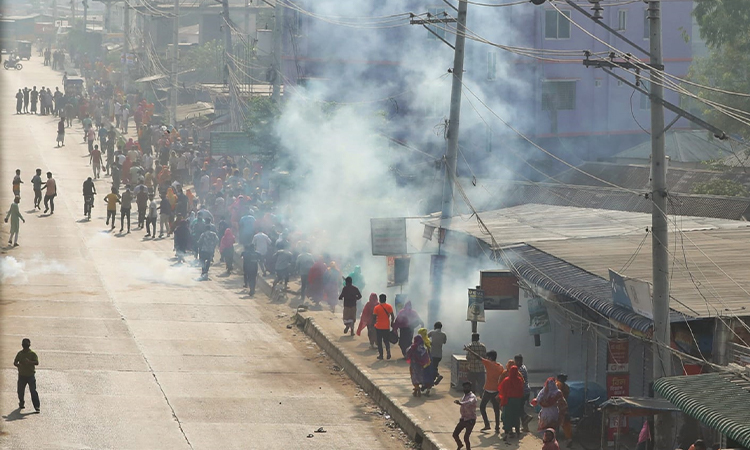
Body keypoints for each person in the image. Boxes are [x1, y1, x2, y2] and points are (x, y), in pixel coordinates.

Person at [464, 347, 502, 433]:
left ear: (491, 358)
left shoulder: (489, 364)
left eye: (488, 357)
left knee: (482, 407)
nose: (487, 359)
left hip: (488, 390)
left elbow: (478, 357)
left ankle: (487, 425)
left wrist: (469, 350)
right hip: (496, 390)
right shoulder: (500, 367)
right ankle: (497, 427)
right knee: (496, 409)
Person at [499, 365, 525, 440]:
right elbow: (521, 391)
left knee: (507, 416)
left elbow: (502, 389)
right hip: (517, 401)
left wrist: (502, 398)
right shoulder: (519, 380)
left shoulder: (506, 380)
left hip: (508, 401)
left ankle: (507, 433)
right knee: (516, 416)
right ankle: (517, 432)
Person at [14, 338, 40, 412]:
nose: (25, 347)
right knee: (20, 391)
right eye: (24, 345)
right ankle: (21, 402)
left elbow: (37, 362)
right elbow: (15, 362)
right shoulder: (20, 354)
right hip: (22, 375)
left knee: (33, 391)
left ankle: (37, 406)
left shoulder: (32, 353)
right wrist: (18, 365)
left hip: (30, 375)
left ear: (29, 345)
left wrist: (29, 362)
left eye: (26, 345)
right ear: (22, 345)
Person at [453, 381, 477, 450]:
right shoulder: (465, 395)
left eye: (467, 387)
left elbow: (469, 402)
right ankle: (460, 444)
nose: (466, 389)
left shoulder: (472, 396)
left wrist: (460, 403)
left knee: (466, 437)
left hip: (470, 420)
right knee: (455, 434)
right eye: (465, 387)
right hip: (463, 419)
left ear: (470, 388)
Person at [373, 294, 395, 360]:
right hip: (386, 327)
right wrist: (391, 322)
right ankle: (388, 352)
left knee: (379, 342)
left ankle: (381, 355)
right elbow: (393, 316)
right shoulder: (389, 306)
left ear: (379, 299)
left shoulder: (376, 308)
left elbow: (374, 317)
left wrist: (374, 323)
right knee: (386, 341)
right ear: (385, 299)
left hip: (378, 327)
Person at [516, 354, 533, 431]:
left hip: (523, 391)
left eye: (516, 361)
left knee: (518, 409)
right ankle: (525, 427)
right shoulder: (523, 367)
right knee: (521, 407)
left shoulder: (520, 370)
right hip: (526, 390)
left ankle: (526, 416)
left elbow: (519, 382)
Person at [427, 322, 447, 386]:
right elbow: (444, 342)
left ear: (435, 327)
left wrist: (430, 343)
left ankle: (438, 375)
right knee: (435, 367)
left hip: (432, 353)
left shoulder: (432, 332)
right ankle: (432, 382)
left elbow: (426, 337)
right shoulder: (444, 334)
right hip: (439, 354)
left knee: (431, 368)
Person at [556, 374, 572, 441]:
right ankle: (568, 438)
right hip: (563, 406)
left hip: (557, 406)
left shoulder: (557, 384)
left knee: (556, 421)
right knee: (566, 422)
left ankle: (555, 436)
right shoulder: (566, 387)